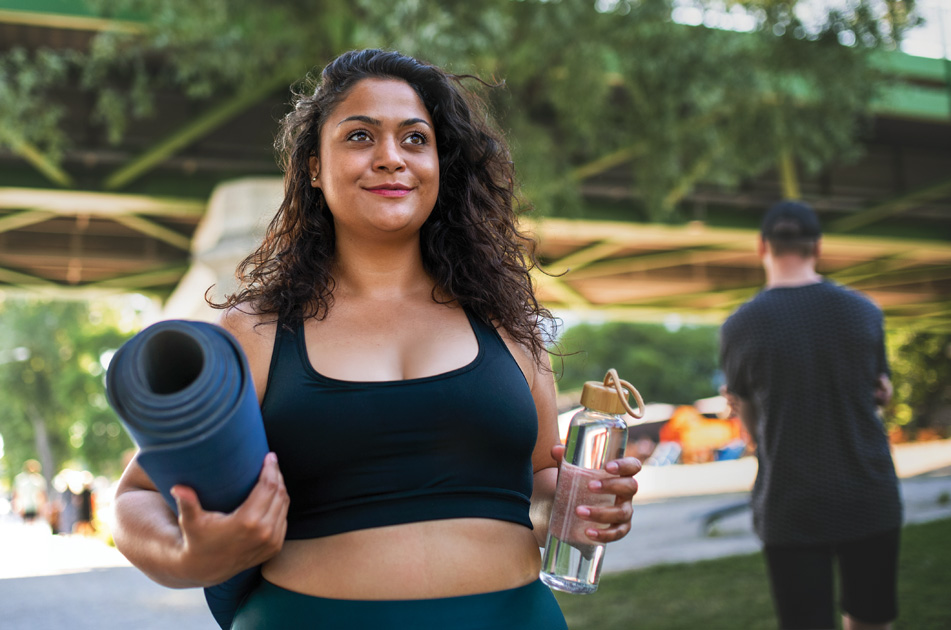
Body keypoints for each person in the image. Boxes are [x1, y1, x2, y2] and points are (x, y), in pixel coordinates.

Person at [113, 49, 642, 629]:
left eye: (415, 139)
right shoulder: (256, 331)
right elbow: (137, 495)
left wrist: (575, 506)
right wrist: (188, 555)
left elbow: (540, 485)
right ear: (313, 165)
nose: (391, 158)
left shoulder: (508, 325)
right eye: (360, 135)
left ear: (442, 163)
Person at [719, 200, 902, 630]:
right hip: (868, 494)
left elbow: (750, 425)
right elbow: (879, 392)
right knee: (871, 620)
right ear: (817, 248)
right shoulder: (865, 311)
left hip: (790, 501)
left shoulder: (740, 325)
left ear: (762, 247)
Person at [12, 459, 48, 525]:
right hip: (24, 506)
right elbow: (16, 493)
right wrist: (17, 505)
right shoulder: (20, 479)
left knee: (34, 524)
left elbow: (42, 494)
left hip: (35, 506)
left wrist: (42, 507)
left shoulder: (39, 479)